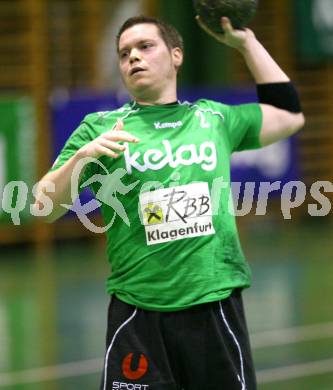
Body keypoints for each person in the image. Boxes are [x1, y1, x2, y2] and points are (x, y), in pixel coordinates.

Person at [34, 14, 305, 390]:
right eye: (124, 52)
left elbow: (290, 115)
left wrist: (247, 43)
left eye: (145, 46)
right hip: (139, 312)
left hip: (213, 304)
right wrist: (83, 159)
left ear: (176, 55)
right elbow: (42, 207)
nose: (133, 57)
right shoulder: (100, 128)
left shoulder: (213, 118)